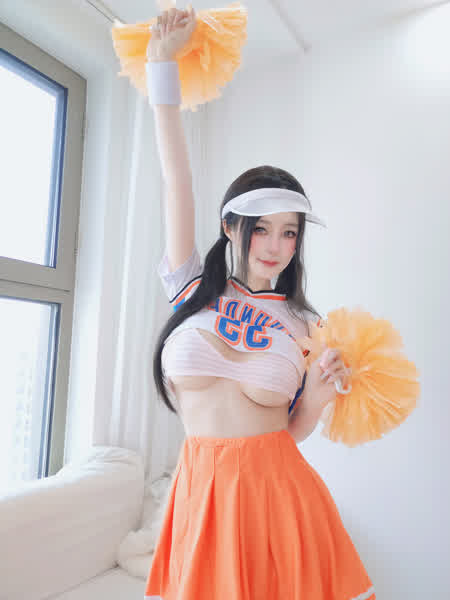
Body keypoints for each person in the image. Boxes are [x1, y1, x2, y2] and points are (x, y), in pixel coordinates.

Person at [144, 6, 376, 599]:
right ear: (230, 227)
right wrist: (161, 65)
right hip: (199, 490)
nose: (276, 246)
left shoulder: (305, 323)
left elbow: (292, 431)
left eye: (290, 232)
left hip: (279, 495)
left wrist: (318, 395)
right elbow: (176, 180)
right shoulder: (192, 287)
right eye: (262, 229)